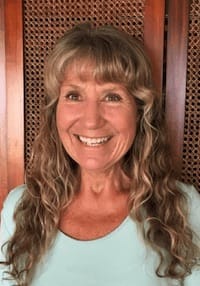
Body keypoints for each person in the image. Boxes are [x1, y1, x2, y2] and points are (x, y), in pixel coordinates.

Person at [0, 22, 200, 286]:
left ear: (140, 113)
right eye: (73, 95)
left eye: (112, 97)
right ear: (54, 111)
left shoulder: (182, 207)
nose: (92, 120)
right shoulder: (20, 207)